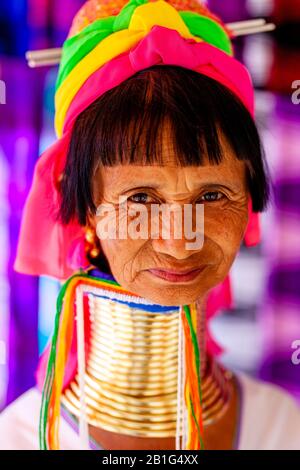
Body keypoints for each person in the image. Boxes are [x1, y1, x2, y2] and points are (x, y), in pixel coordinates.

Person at [0, 0, 299, 450]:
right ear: (83, 208)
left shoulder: (282, 428)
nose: (180, 244)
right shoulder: (18, 439)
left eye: (213, 196)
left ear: (251, 202)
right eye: (140, 199)